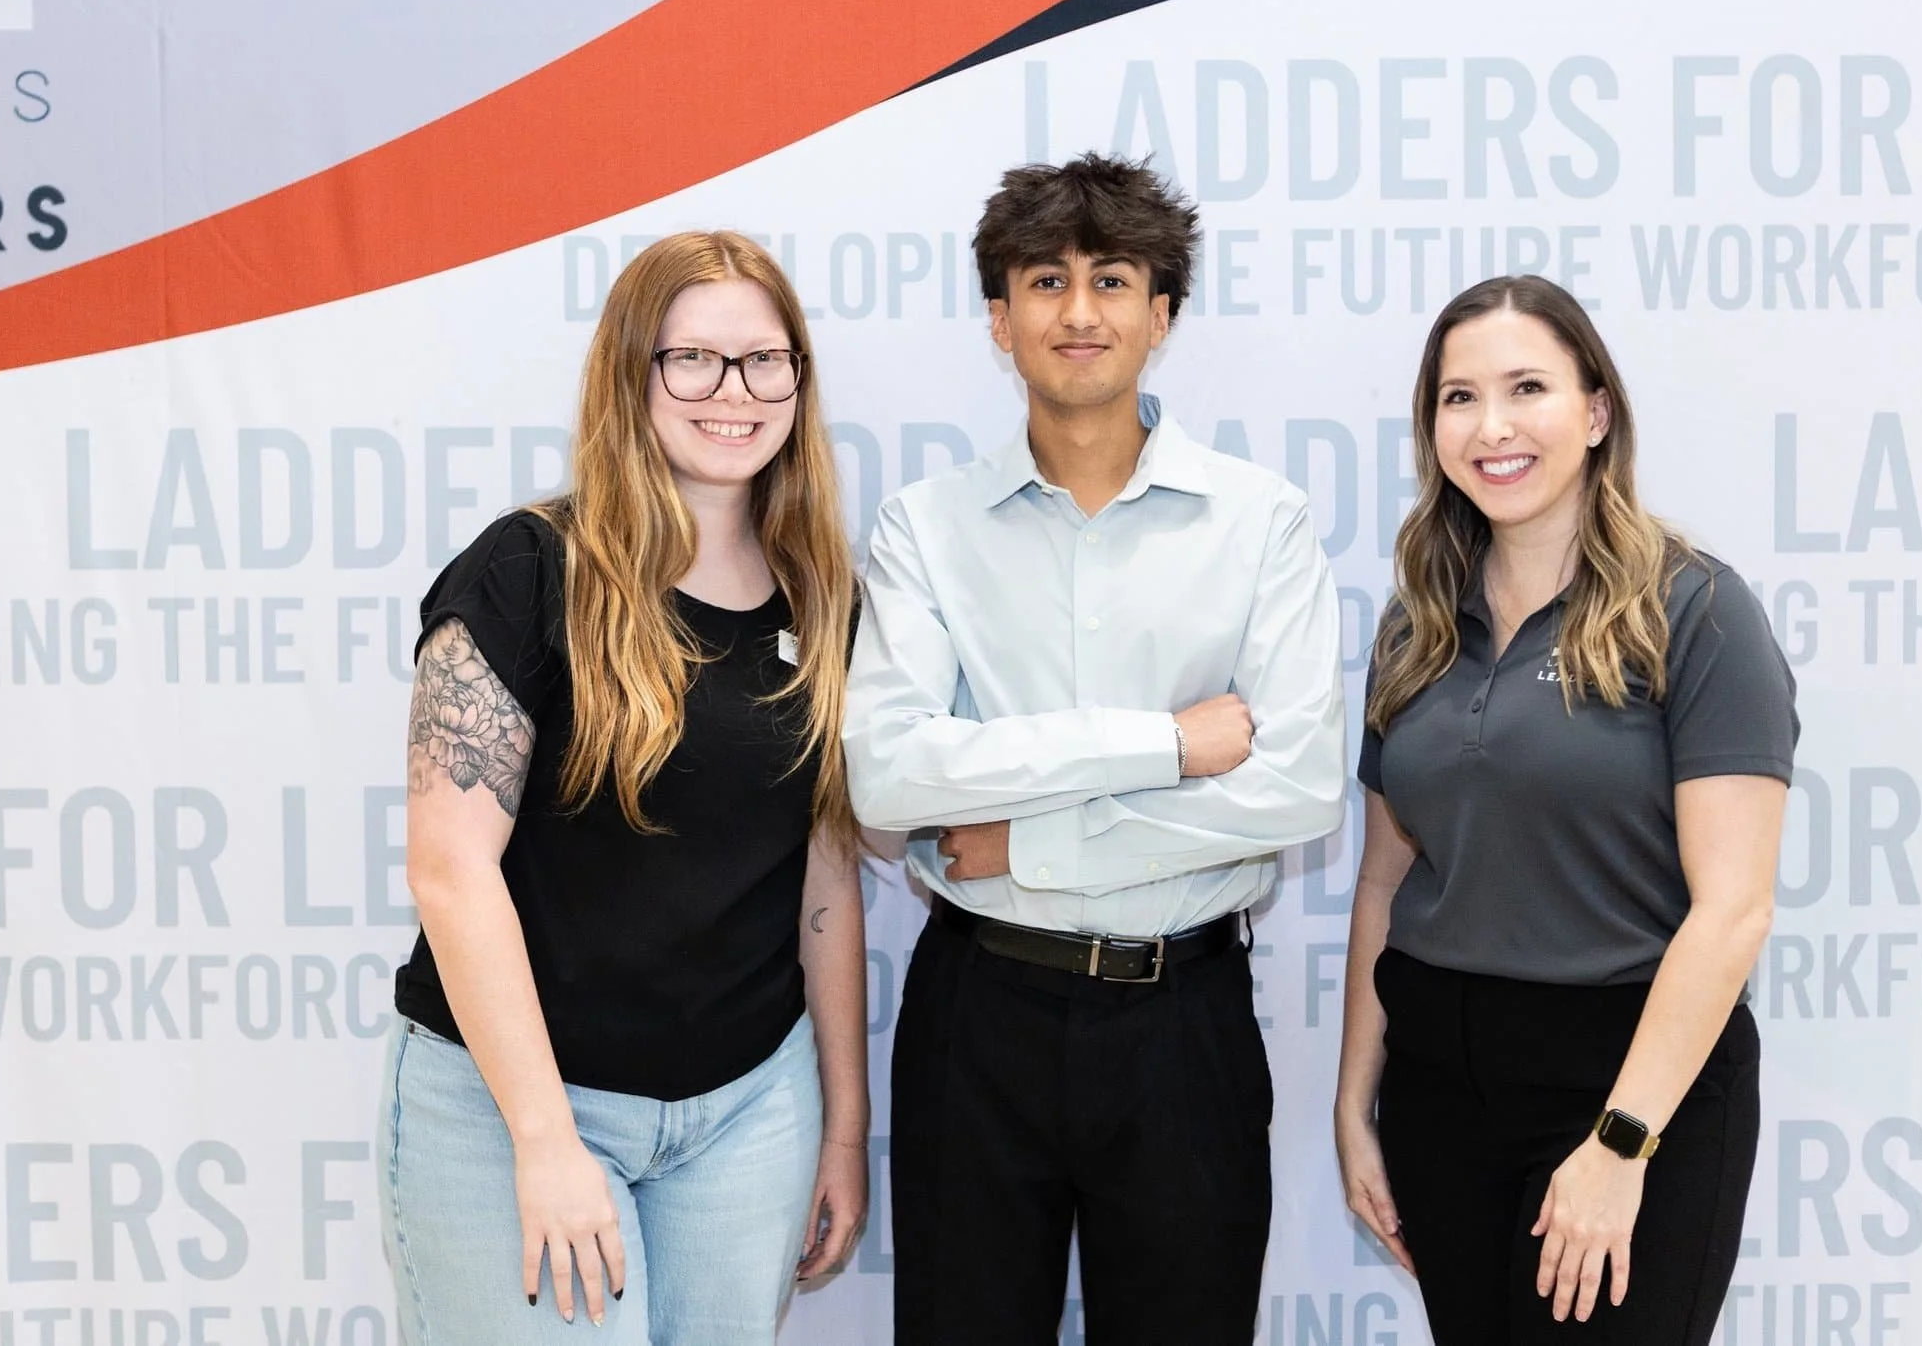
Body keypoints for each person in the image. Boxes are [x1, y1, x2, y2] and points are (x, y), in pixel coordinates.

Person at [845, 153, 1349, 1346]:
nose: (1079, 311)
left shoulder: (1259, 520)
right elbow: (890, 774)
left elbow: (1296, 788)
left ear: (1161, 314)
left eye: (1113, 279)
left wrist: (1028, 832)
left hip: (1183, 1016)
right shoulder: (924, 525)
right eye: (1045, 280)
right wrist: (1164, 744)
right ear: (997, 318)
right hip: (979, 1010)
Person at [378, 231, 869, 1346]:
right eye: (690, 358)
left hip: (748, 1110)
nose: (731, 391)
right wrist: (545, 1139)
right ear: (629, 372)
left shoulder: (827, 595)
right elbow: (450, 873)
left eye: (763, 358)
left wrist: (844, 1123)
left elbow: (825, 872)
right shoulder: (524, 570)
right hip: (511, 1107)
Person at [1333, 275, 1797, 1342]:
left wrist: (1619, 1142)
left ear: (1595, 412)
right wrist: (1354, 1103)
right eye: (1458, 397)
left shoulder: (1697, 610)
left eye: (1526, 386)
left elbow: (1731, 910)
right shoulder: (1417, 624)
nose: (1490, 425)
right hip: (1440, 1087)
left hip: (1629, 1076)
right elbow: (1383, 880)